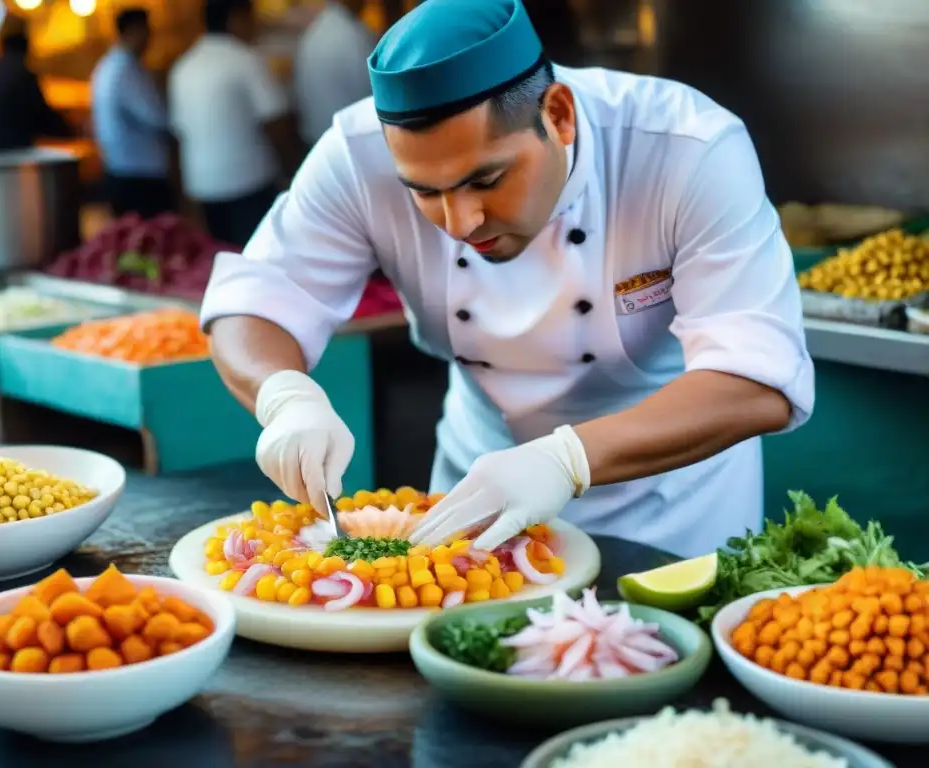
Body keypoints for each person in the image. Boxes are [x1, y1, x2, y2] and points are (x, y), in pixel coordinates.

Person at [200, 0, 815, 558]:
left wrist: (565, 459)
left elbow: (756, 376)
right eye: (424, 193)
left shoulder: (687, 147)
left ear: (559, 116)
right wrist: (284, 398)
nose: (460, 222)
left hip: (670, 511)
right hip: (475, 504)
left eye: (486, 181)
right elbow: (257, 300)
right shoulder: (355, 154)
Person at [169, 0, 299, 246]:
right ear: (234, 19)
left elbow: (177, 136)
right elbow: (276, 123)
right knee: (259, 258)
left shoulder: (183, 66)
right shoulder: (246, 59)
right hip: (249, 185)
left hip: (202, 188)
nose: (254, 27)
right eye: (250, 19)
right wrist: (293, 173)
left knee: (222, 262)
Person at [91, 7, 171, 219]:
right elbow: (156, 116)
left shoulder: (107, 66)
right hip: (139, 174)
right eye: (146, 31)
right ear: (134, 31)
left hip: (119, 169)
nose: (149, 38)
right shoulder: (126, 71)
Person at [0, 16, 72, 154]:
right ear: (26, 43)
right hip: (14, 161)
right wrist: (72, 129)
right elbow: (44, 120)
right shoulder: (22, 75)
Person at [293, 0, 376, 148]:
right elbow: (372, 96)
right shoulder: (352, 35)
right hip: (349, 143)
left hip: (318, 142)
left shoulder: (316, 31)